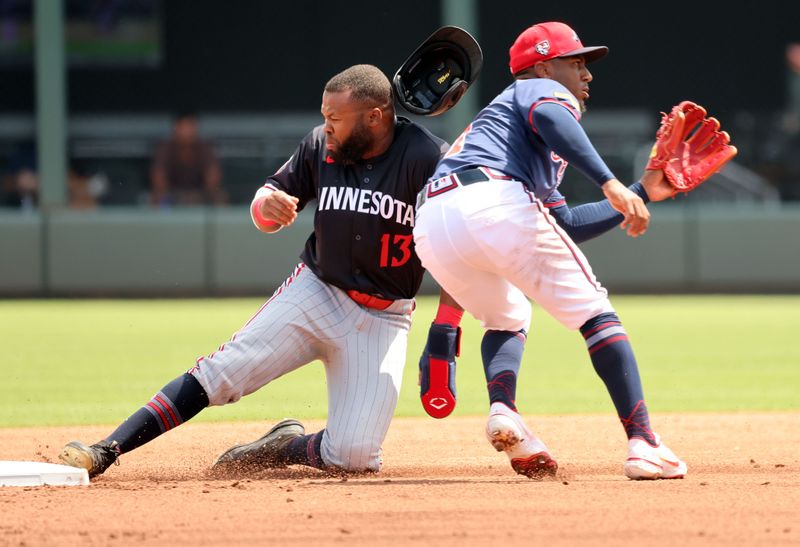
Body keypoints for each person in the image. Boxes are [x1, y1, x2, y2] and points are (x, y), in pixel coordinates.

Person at [58, 64, 451, 477]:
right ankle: (107, 449)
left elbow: (456, 246)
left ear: (374, 117)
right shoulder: (320, 145)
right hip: (317, 292)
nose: (326, 126)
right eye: (324, 116)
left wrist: (446, 326)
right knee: (220, 375)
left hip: (383, 317)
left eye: (335, 118)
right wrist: (267, 206)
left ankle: (286, 446)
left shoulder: (427, 158)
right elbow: (268, 198)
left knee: (354, 456)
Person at [412, 21, 688, 480]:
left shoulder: (502, 131)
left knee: (507, 316)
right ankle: (644, 443)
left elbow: (562, 224)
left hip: (437, 223)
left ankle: (505, 411)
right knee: (596, 313)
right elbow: (553, 119)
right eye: (576, 61)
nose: (587, 73)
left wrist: (642, 189)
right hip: (493, 200)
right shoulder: (536, 93)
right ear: (542, 66)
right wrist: (612, 182)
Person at [149, 111, 226, 207]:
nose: (187, 132)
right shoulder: (165, 148)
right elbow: (158, 177)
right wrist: (169, 194)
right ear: (176, 127)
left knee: (220, 197)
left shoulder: (204, 148)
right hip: (172, 196)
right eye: (184, 127)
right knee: (156, 198)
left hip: (199, 195)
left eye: (190, 127)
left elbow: (213, 176)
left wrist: (201, 194)